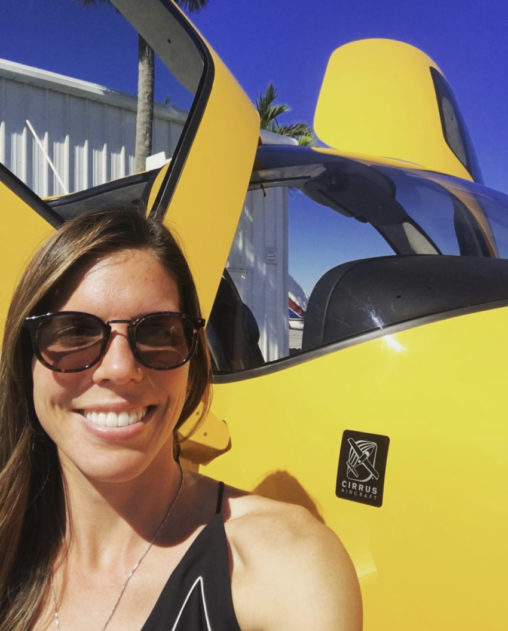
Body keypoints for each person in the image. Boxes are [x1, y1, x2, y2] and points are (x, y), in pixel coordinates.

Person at [0, 208, 362, 631]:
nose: (120, 368)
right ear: (26, 363)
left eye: (158, 333)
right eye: (74, 333)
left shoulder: (282, 568)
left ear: (193, 360)